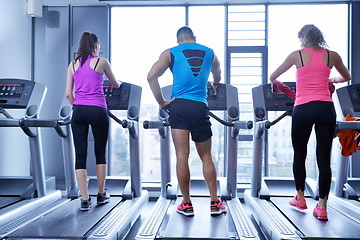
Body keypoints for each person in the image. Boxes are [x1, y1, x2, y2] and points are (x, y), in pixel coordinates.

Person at [270, 24, 351, 220]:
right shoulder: (332, 56)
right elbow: (347, 77)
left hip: (303, 108)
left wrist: (279, 86)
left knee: (300, 154)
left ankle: (300, 197)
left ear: (303, 39)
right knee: (323, 158)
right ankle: (322, 207)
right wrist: (332, 80)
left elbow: (273, 77)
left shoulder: (296, 55)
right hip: (325, 109)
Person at [147, 26, 226, 216]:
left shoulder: (170, 53)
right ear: (194, 38)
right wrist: (215, 83)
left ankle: (187, 204)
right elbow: (218, 73)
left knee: (182, 155)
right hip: (200, 107)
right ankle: (215, 203)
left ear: (178, 41)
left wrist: (162, 102)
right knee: (206, 155)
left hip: (179, 107)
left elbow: (151, 77)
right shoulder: (210, 52)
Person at [65, 32, 122, 211]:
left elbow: (68, 93)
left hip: (79, 111)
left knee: (80, 156)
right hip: (98, 110)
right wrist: (119, 83)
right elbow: (115, 84)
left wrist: (79, 106)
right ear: (95, 45)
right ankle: (100, 194)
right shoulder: (101, 62)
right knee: (100, 153)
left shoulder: (72, 65)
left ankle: (84, 198)